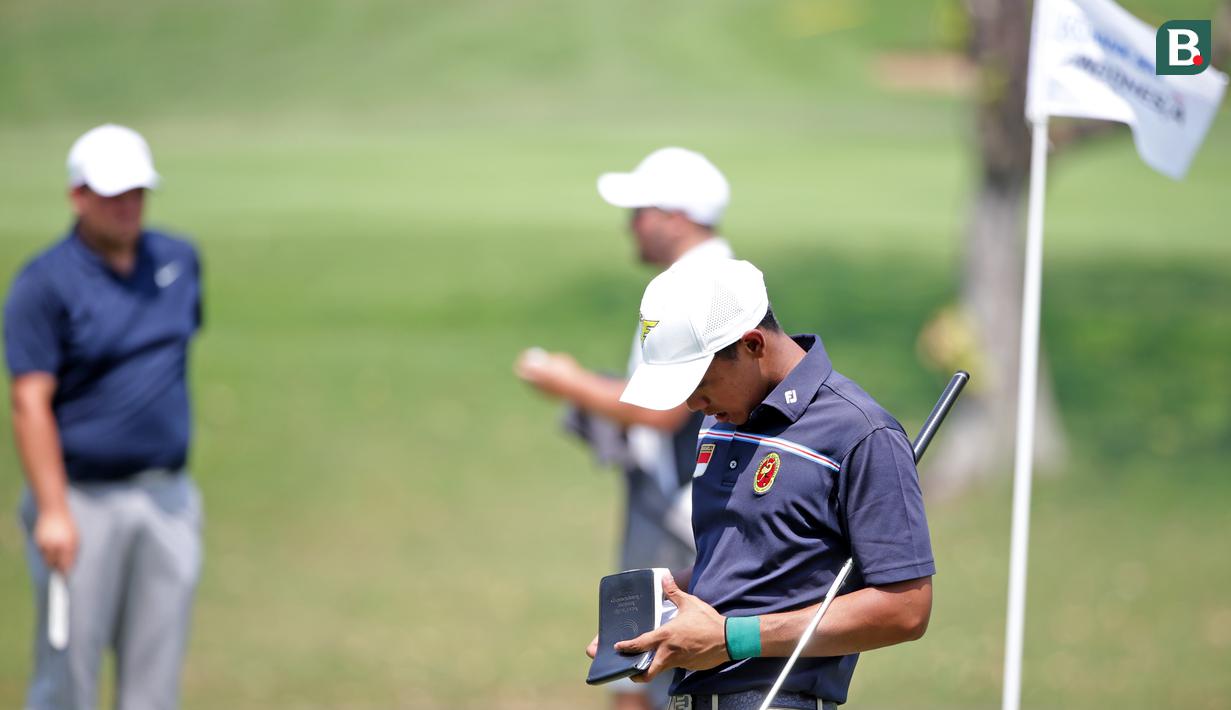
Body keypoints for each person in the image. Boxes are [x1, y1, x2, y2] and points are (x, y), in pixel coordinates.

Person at [593, 259, 934, 710]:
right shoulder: (719, 421)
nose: (692, 404)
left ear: (752, 344)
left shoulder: (862, 433)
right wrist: (664, 603)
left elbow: (906, 610)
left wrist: (732, 639)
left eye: (698, 382)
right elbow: (751, 564)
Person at [515, 147, 733, 710]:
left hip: (675, 504)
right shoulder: (704, 278)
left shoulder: (697, 286)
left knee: (634, 669)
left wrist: (570, 383)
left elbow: (664, 410)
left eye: (639, 211)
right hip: (675, 497)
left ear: (674, 218)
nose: (628, 225)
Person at [4, 124, 204, 710]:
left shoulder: (178, 260)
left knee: (155, 681)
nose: (128, 206)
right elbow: (29, 401)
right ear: (78, 196)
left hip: (167, 498)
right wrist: (53, 510)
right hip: (81, 501)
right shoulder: (44, 284)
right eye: (114, 194)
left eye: (137, 192)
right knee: (68, 675)